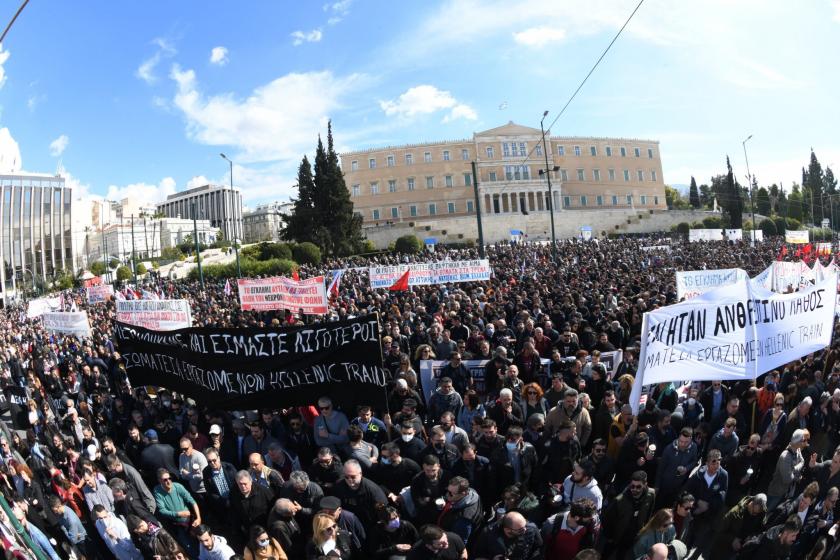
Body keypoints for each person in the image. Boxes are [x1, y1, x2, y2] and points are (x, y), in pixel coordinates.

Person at [600, 471, 656, 560]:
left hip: (632, 536)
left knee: (622, 555)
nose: (634, 489)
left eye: (638, 487)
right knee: (606, 553)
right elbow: (607, 520)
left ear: (645, 485)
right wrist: (609, 537)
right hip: (617, 535)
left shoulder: (651, 494)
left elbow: (649, 511)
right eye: (632, 486)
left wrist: (644, 527)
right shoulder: (619, 501)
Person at [153, 467, 201, 555]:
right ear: (160, 481)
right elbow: (162, 511)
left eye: (169, 478)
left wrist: (198, 518)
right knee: (188, 546)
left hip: (189, 520)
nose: (168, 481)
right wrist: (178, 514)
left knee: (200, 540)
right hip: (176, 524)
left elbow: (192, 501)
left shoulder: (178, 486)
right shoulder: (157, 491)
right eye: (165, 480)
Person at [710, 493, 768, 558]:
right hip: (722, 547)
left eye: (757, 513)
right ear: (751, 504)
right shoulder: (735, 512)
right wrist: (733, 540)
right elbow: (719, 529)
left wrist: (751, 537)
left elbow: (760, 531)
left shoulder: (761, 515)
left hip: (740, 550)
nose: (755, 515)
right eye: (754, 512)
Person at [473, 511, 543, 560]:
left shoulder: (531, 528)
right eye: (520, 530)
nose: (525, 530)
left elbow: (538, 549)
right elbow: (478, 556)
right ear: (507, 530)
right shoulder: (488, 533)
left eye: (525, 525)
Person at [767, 428, 808, 511]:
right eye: (803, 440)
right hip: (776, 493)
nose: (804, 442)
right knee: (766, 513)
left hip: (786, 494)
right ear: (798, 442)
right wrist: (796, 475)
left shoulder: (798, 450)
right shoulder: (785, 457)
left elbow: (802, 461)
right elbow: (787, 479)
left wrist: (792, 469)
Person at [436, 475, 484, 544]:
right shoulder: (472, 492)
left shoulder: (463, 521)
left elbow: (459, 542)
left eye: (452, 494)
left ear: (463, 493)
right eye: (448, 491)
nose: (448, 495)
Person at [736, 514, 802, 559]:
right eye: (793, 535)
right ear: (785, 533)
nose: (795, 538)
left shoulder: (786, 543)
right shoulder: (764, 547)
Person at [232, 469, 275, 535]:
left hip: (266, 530)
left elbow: (273, 508)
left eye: (245, 484)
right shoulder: (234, 494)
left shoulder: (263, 491)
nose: (243, 487)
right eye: (240, 484)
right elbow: (235, 512)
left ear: (251, 481)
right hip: (249, 532)